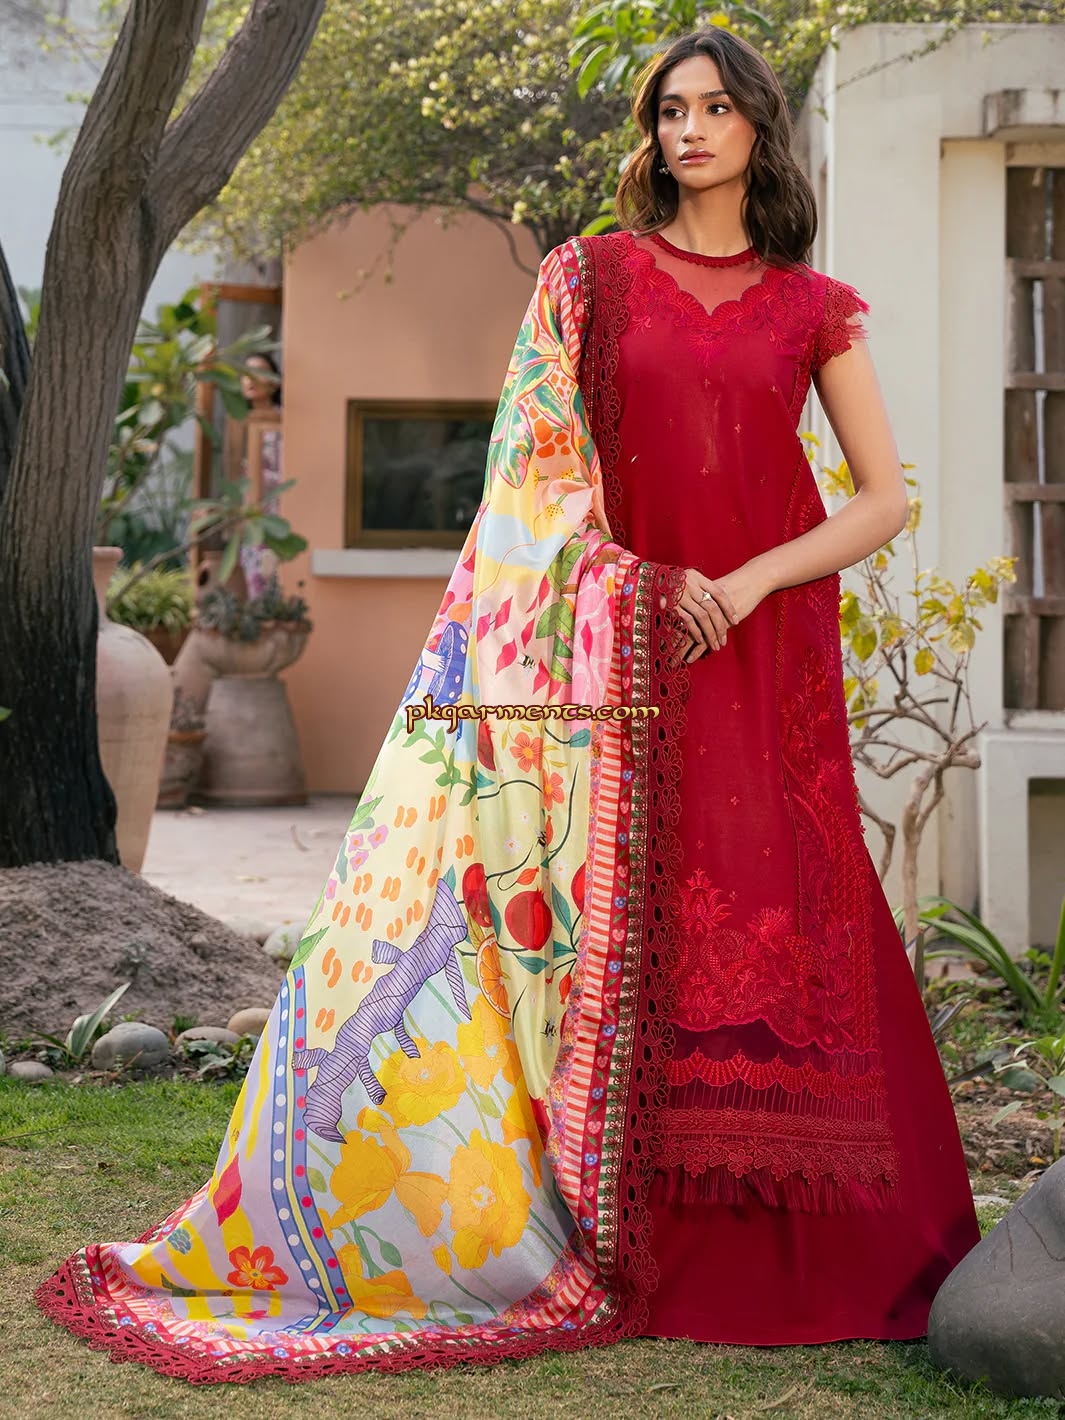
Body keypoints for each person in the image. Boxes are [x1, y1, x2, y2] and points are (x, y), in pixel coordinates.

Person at [34, 28, 980, 1382]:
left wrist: (744, 584)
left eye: (717, 108)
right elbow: (529, 480)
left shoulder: (812, 308)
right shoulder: (590, 279)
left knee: (776, 898)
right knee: (632, 912)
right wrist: (631, 590)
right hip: (612, 652)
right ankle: (632, 1233)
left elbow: (881, 500)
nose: (690, 130)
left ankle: (815, 1245)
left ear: (759, 128)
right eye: (671, 109)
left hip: (756, 647)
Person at [237, 352, 284, 599]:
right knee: (254, 589)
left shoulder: (284, 420)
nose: (251, 380)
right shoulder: (238, 424)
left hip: (277, 517)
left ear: (274, 383)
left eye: (259, 372)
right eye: (246, 374)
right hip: (250, 520)